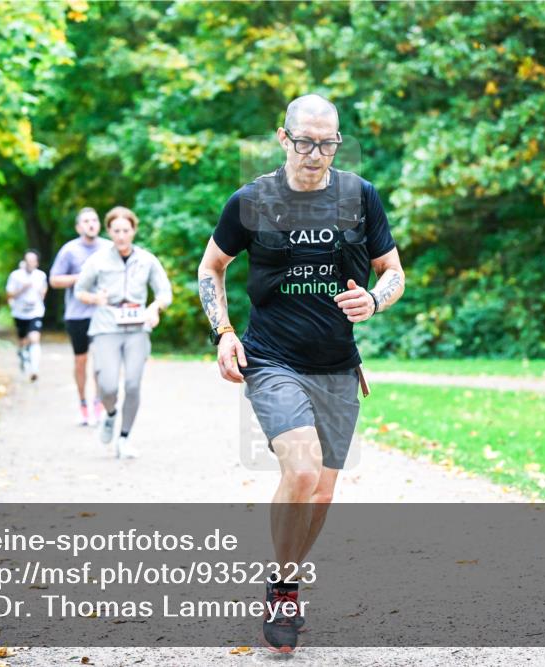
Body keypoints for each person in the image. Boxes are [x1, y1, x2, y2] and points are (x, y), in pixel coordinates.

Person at [196, 94, 405, 653]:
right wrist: (224, 332)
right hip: (272, 360)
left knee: (323, 491)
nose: (317, 153)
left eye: (328, 142)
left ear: (338, 141)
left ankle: (282, 575)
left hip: (338, 366)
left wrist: (376, 301)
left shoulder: (360, 197)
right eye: (306, 141)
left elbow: (393, 271)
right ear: (283, 138)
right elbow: (211, 267)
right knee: (304, 468)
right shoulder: (252, 201)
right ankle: (285, 589)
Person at [74, 206, 172, 459]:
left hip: (138, 328)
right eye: (116, 231)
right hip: (106, 327)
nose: (120, 236)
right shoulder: (97, 260)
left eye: (125, 230)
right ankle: (110, 414)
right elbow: (79, 290)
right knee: (107, 385)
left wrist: (155, 307)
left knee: (132, 384)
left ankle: (125, 437)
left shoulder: (147, 259)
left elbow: (164, 293)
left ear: (133, 230)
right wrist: (96, 298)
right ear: (109, 231)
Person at [49, 207, 113, 425]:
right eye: (86, 221)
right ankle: (83, 404)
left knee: (101, 361)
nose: (91, 224)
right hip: (77, 315)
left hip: (103, 313)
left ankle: (97, 403)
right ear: (78, 227)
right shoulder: (69, 251)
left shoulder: (108, 247)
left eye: (94, 220)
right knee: (81, 361)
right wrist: (82, 277)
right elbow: (54, 280)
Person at [5, 250, 48, 382]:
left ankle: (34, 369)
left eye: (33, 261)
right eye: (28, 260)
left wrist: (42, 294)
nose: (31, 263)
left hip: (35, 312)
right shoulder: (15, 276)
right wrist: (23, 288)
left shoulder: (41, 276)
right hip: (19, 313)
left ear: (37, 262)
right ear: (24, 262)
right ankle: (23, 356)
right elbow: (9, 295)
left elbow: (44, 290)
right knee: (23, 341)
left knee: (34, 338)